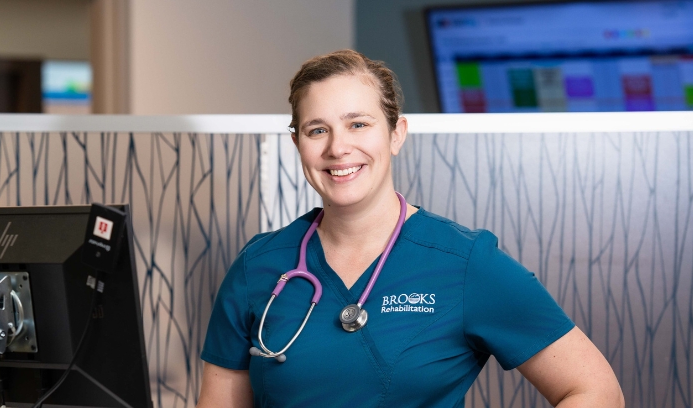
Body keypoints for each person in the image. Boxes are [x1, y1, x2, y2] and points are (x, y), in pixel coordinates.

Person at [197, 50, 624, 407]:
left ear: (396, 134)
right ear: (298, 144)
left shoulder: (465, 263)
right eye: (317, 129)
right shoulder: (259, 266)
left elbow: (595, 391)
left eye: (358, 124)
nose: (337, 147)